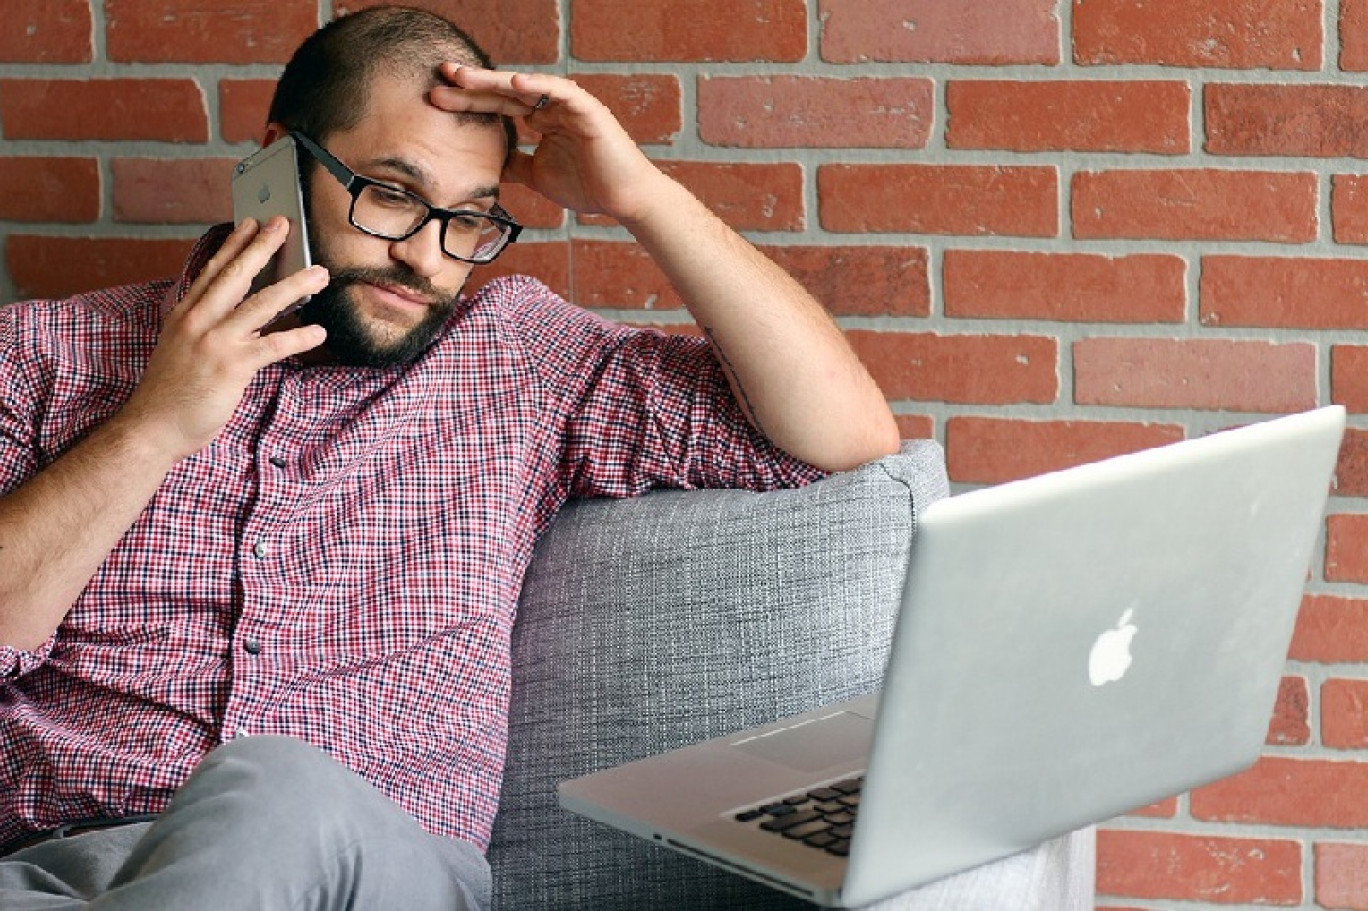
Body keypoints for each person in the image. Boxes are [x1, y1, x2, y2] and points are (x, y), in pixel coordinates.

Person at [0, 6, 899, 909]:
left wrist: (642, 196)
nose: (426, 258)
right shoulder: (44, 356)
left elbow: (841, 435)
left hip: (368, 872)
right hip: (49, 872)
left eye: (469, 221)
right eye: (390, 194)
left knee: (273, 788)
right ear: (278, 162)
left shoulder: (517, 363)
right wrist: (152, 427)